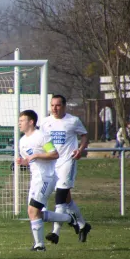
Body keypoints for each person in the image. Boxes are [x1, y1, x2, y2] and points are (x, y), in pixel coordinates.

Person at [16, 110, 79, 251]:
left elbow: (54, 154)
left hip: (46, 178)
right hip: (35, 179)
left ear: (31, 122)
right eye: (19, 121)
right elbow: (31, 160)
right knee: (34, 213)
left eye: (22, 120)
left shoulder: (41, 137)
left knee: (33, 210)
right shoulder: (23, 141)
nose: (19, 123)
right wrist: (24, 162)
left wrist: (36, 155)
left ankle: (39, 245)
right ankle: (69, 218)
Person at [40, 95, 92, 243]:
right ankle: (82, 225)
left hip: (67, 162)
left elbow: (84, 135)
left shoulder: (73, 121)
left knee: (60, 198)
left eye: (57, 105)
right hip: (51, 164)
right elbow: (41, 140)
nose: (54, 108)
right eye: (52, 105)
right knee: (66, 199)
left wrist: (80, 149)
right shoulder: (45, 122)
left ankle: (55, 233)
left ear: (64, 106)